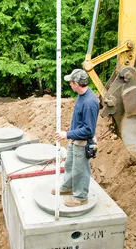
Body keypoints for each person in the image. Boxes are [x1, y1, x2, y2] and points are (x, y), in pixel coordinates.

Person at [53, 69, 99, 207]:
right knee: (69, 165)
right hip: (75, 140)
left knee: (80, 170)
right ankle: (68, 187)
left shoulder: (90, 103)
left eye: (71, 82)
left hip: (82, 142)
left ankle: (80, 197)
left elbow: (88, 130)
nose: (70, 84)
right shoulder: (81, 95)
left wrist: (66, 134)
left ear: (76, 83)